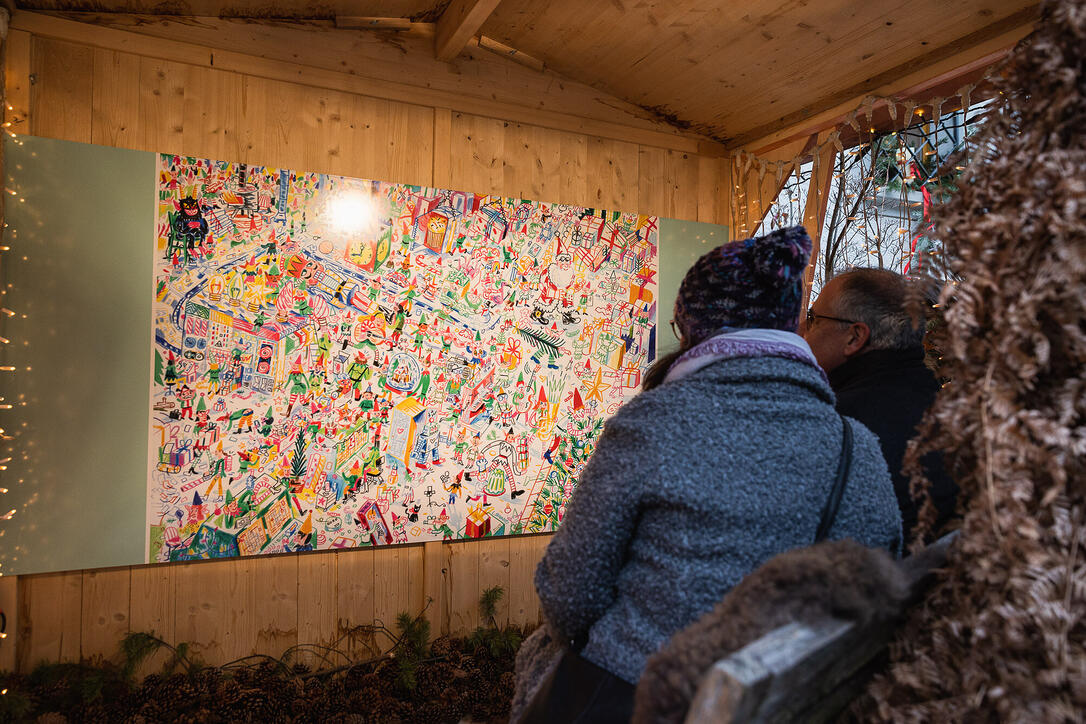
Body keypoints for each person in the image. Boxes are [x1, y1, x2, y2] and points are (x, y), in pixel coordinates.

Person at [517, 226, 901, 723]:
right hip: (791, 708)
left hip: (644, 699)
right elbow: (870, 596)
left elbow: (569, 595)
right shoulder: (856, 446)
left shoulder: (651, 424)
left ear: (696, 332)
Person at [803, 267, 958, 546]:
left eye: (813, 319)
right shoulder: (945, 411)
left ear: (854, 337)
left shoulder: (837, 426)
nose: (803, 329)